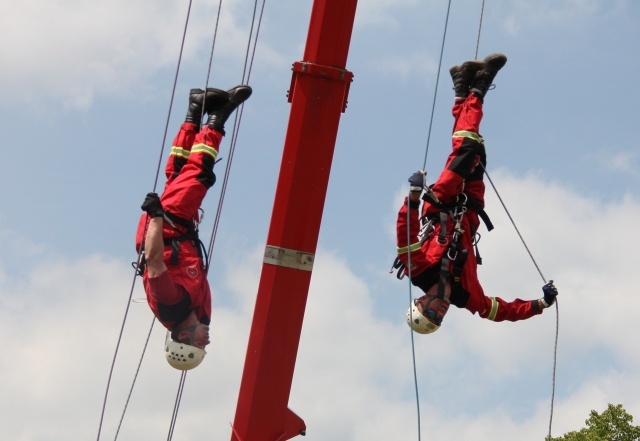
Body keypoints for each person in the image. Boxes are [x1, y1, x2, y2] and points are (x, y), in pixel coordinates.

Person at [395, 53, 558, 334]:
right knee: (476, 149)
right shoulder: (466, 297)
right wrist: (540, 303)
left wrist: (411, 197)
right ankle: (462, 90)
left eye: (431, 312)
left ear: (420, 301)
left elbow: (405, 237)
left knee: (468, 147)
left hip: (442, 203)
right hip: (470, 208)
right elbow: (499, 311)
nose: (440, 312)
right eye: (439, 318)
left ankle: (478, 87)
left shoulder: (419, 271)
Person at [135, 85, 252, 368]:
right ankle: (195, 108)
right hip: (178, 226)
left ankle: (218, 118)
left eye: (200, 344)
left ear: (184, 336)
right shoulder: (201, 313)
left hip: (166, 227)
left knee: (199, 174)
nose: (207, 341)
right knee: (179, 171)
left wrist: (156, 216)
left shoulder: (171, 304)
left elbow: (153, 260)